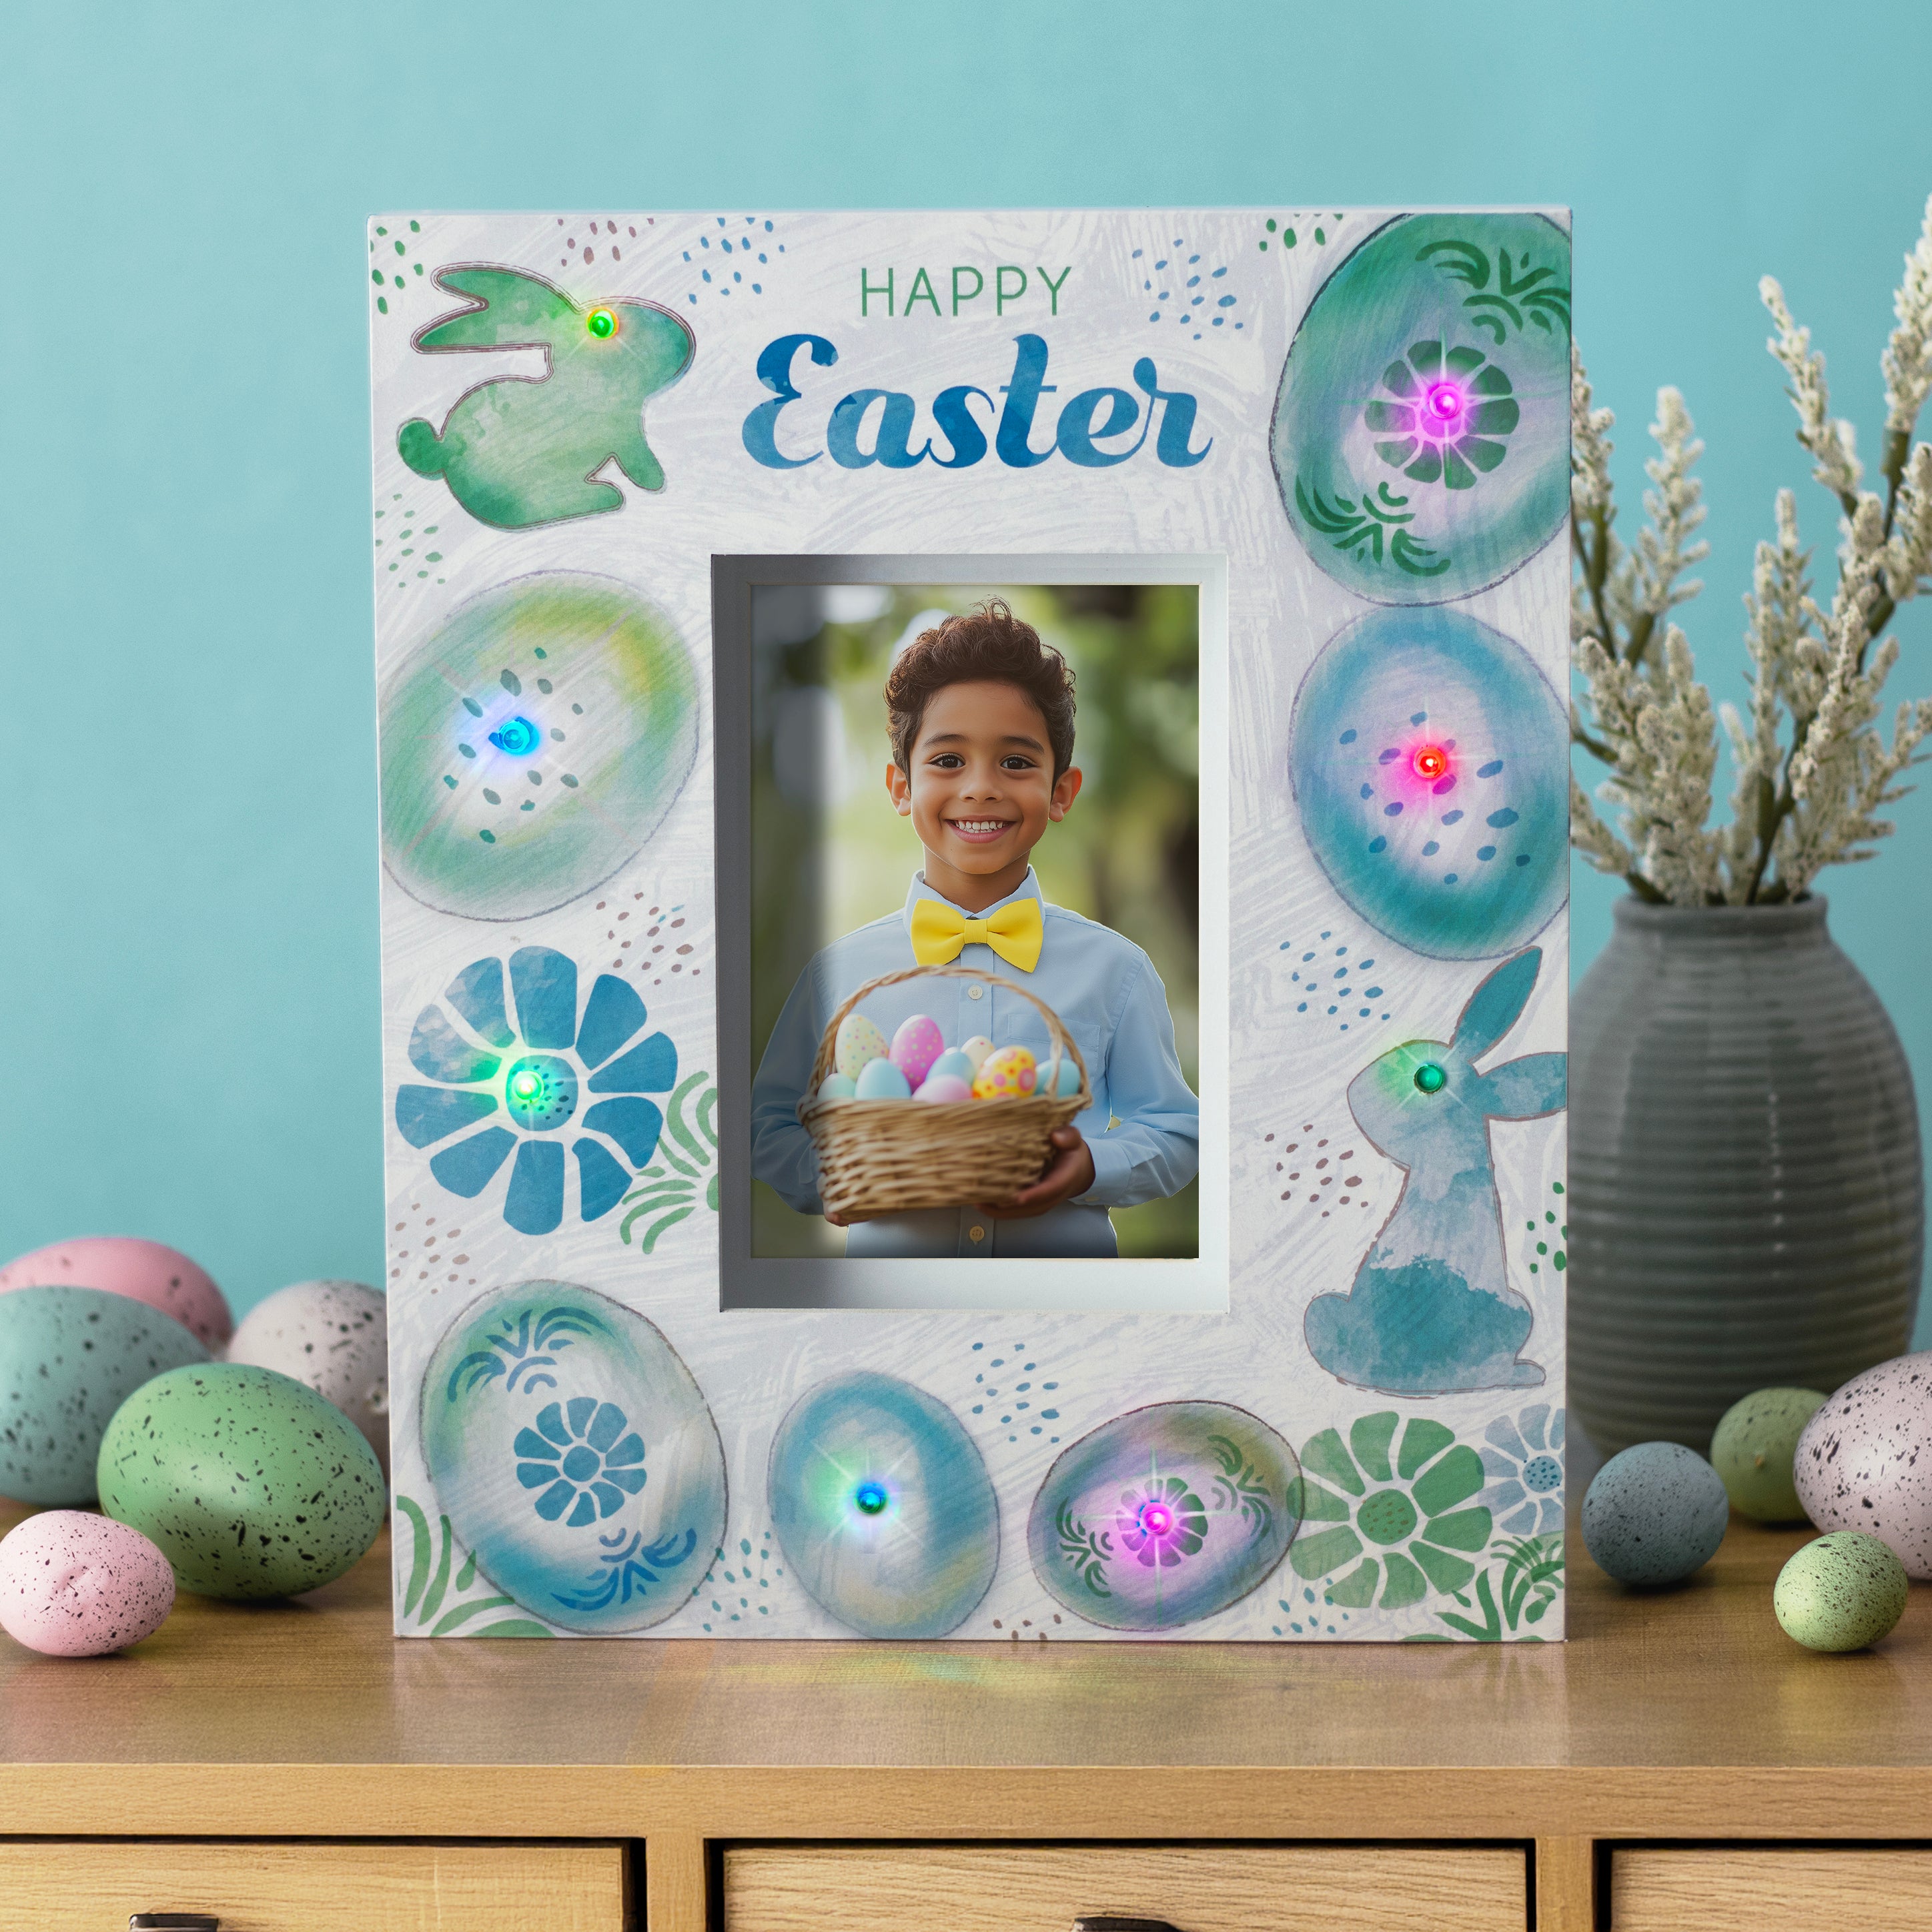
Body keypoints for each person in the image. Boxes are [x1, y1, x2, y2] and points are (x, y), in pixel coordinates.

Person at [751, 600, 1199, 1258]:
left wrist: (1092, 1167)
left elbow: (1175, 1130)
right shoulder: (840, 973)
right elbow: (769, 1127)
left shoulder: (1115, 969)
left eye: (1016, 763)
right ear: (900, 788)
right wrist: (831, 1180)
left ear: (1062, 791)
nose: (981, 787)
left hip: (1066, 1311)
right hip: (896, 1314)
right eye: (947, 761)